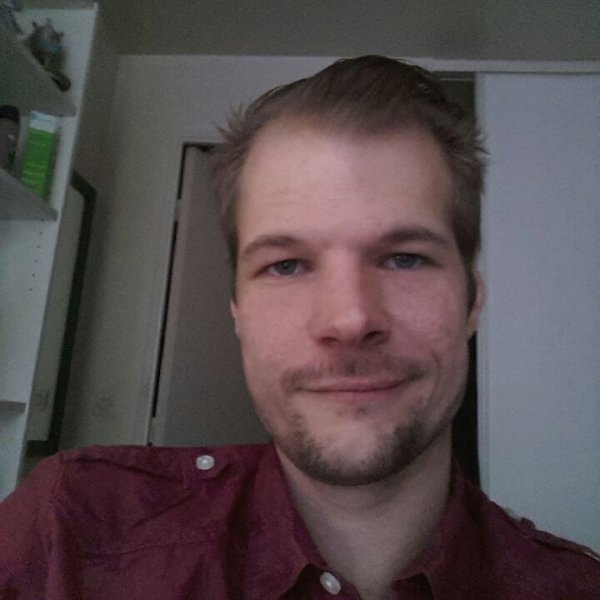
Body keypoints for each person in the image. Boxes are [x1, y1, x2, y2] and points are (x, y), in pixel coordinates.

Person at [0, 56, 598, 600]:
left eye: (404, 258)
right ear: (237, 310)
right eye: (286, 265)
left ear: (472, 301)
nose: (350, 320)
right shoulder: (67, 531)